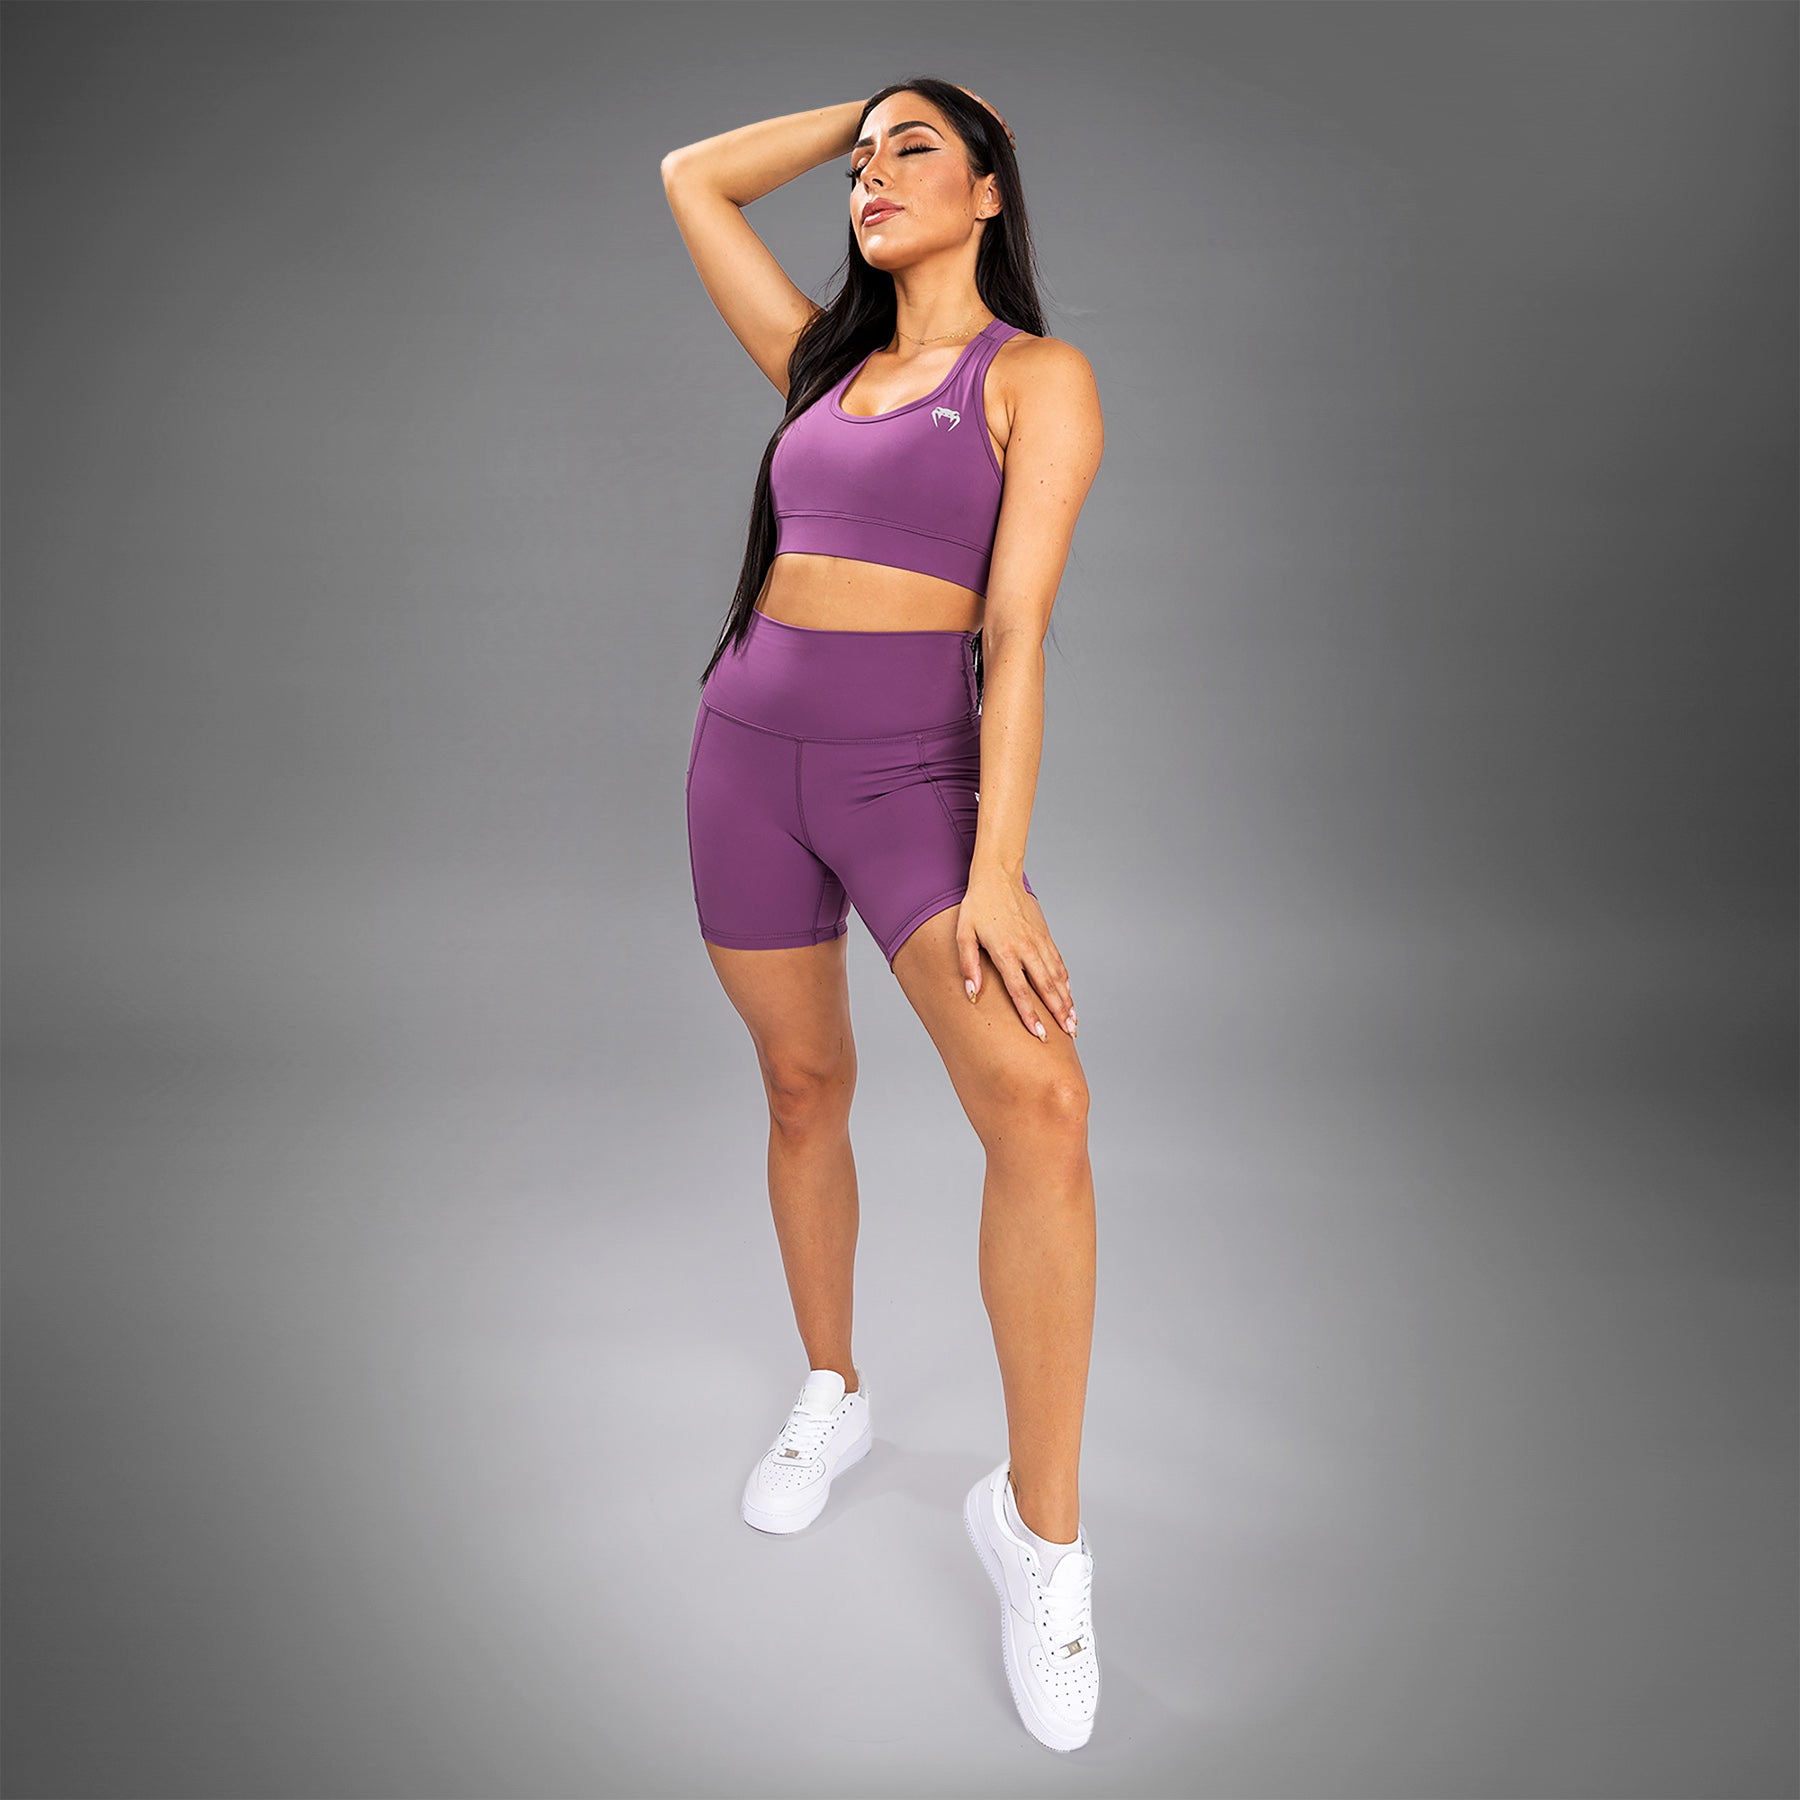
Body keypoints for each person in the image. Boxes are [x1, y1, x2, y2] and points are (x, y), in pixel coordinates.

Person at [660, 76, 1106, 1753]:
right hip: (744, 762)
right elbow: (693, 177)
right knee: (801, 1086)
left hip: (914, 783)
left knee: (1040, 1106)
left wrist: (997, 869)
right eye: (859, 162)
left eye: (914, 151)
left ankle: (1041, 1540)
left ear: (993, 188)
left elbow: (1021, 630)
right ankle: (831, 1392)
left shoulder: (1034, 379)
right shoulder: (820, 366)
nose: (870, 174)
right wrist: (870, 101)